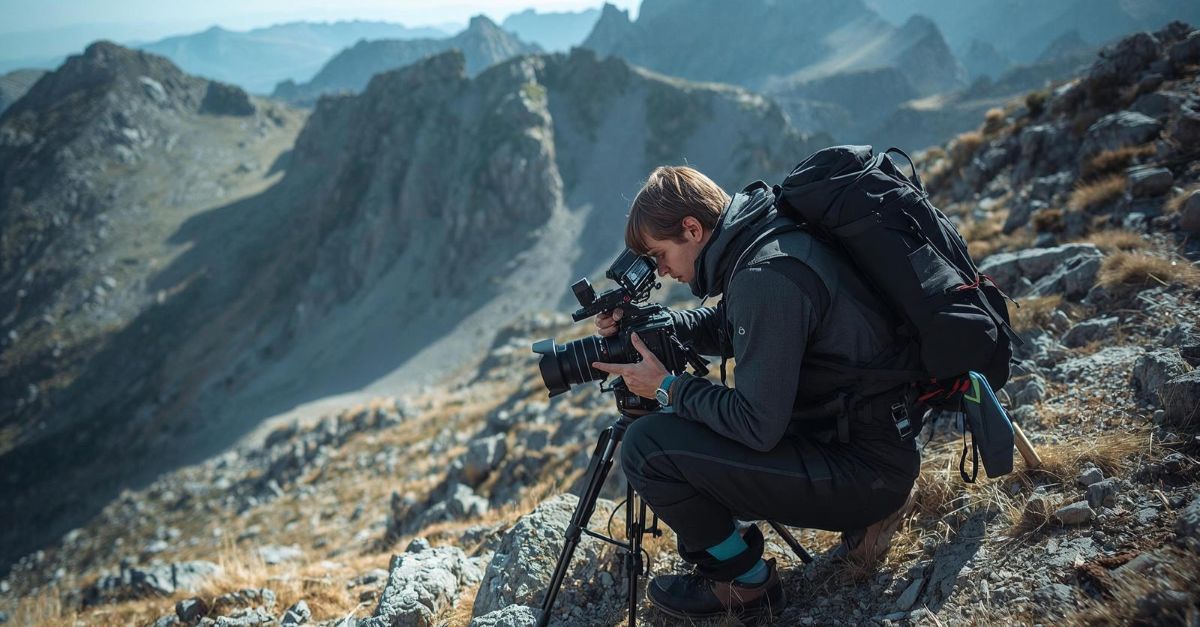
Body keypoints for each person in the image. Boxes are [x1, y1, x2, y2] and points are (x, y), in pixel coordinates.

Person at [590, 165, 922, 622]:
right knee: (678, 426)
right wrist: (658, 326)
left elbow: (756, 425)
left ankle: (744, 583)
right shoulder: (767, 241)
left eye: (661, 254)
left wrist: (666, 387)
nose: (662, 271)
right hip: (861, 449)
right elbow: (731, 326)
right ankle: (738, 556)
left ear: (692, 228)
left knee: (648, 447)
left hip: (865, 476)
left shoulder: (764, 277)